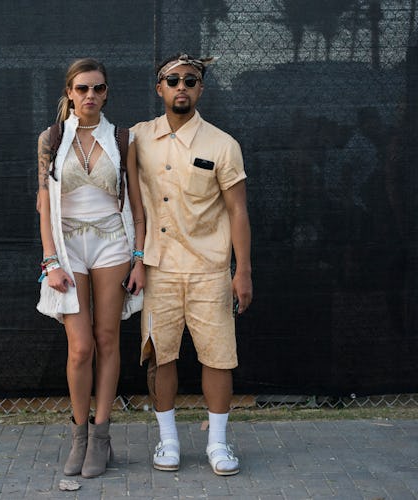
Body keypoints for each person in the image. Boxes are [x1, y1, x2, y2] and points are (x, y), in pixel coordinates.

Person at [130, 53, 253, 476]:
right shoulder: (137, 138)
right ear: (159, 88)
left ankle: (218, 444)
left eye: (190, 80)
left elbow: (238, 211)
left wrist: (243, 270)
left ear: (201, 89)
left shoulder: (222, 144)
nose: (181, 86)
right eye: (173, 80)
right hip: (158, 268)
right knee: (160, 357)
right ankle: (169, 440)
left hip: (209, 268)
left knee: (217, 357)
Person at [36, 58, 145, 478]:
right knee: (80, 347)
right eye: (82, 89)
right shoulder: (51, 138)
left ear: (106, 93)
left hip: (112, 243)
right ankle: (79, 434)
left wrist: (139, 259)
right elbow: (43, 202)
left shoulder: (122, 138)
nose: (90, 96)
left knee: (107, 338)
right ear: (69, 92)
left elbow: (137, 204)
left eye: (98, 89)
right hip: (67, 247)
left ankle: (101, 436)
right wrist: (50, 260)